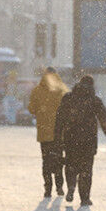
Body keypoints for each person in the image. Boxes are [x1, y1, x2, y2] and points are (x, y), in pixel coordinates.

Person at [53, 75, 106, 206]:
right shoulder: (95, 101)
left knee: (70, 164)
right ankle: (85, 198)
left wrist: (57, 139)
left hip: (70, 139)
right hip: (89, 140)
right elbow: (105, 122)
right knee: (86, 169)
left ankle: (71, 186)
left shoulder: (68, 98)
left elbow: (59, 120)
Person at [28, 67, 70, 198]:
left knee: (46, 161)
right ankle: (59, 186)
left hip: (44, 133)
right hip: (59, 133)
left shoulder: (37, 90)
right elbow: (69, 109)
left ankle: (47, 188)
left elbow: (31, 109)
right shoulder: (62, 89)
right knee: (58, 160)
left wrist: (42, 110)